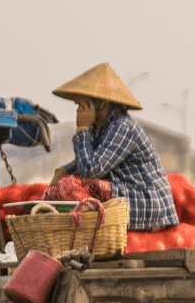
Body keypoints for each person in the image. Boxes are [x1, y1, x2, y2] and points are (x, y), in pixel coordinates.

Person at [51, 63, 178, 231]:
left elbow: (90, 169)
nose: (78, 111)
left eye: (84, 105)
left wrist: (82, 129)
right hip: (130, 196)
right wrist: (63, 170)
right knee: (66, 182)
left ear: (102, 104)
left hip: (149, 203)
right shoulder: (101, 130)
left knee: (79, 185)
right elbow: (86, 161)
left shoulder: (123, 127)